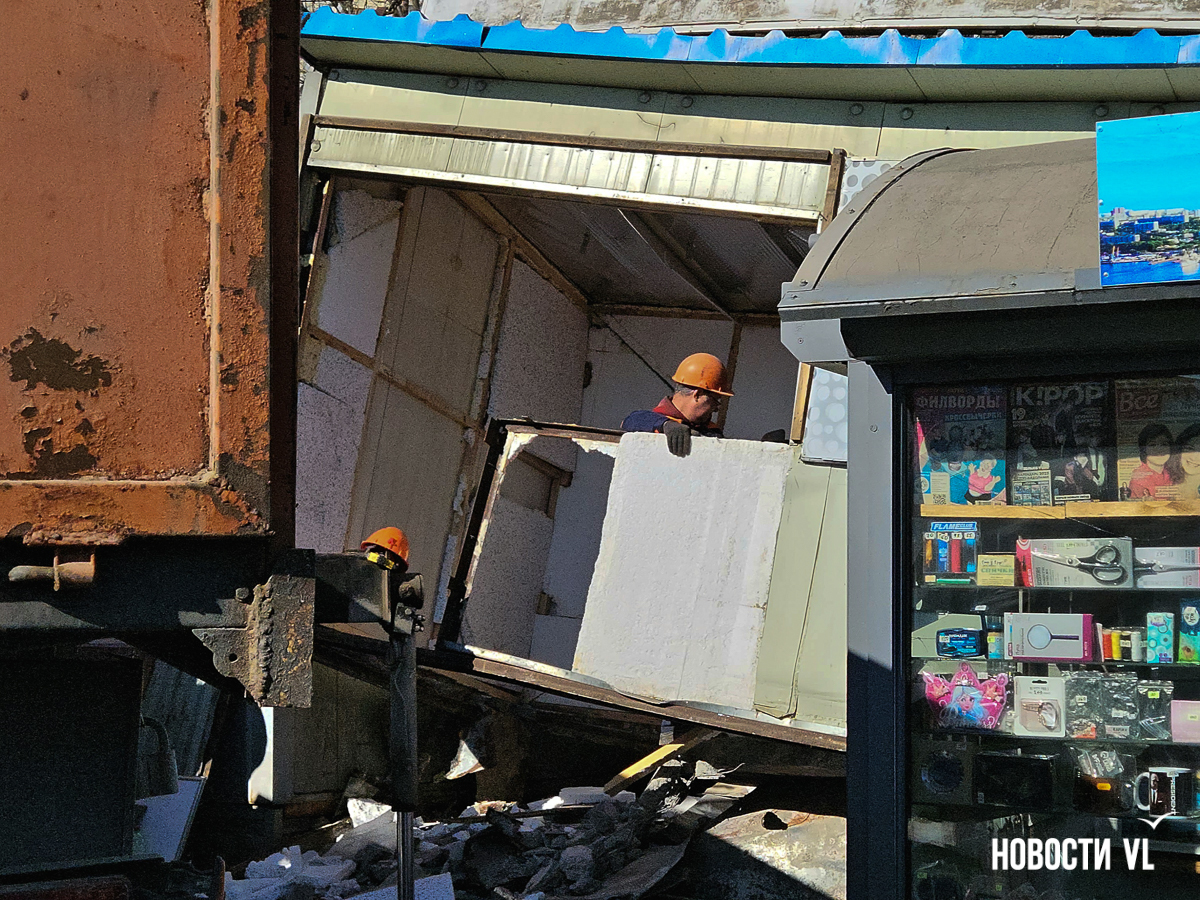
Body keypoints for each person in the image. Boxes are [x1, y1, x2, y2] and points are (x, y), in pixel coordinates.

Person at [621, 352, 733, 457]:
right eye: (715, 400)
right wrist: (665, 424)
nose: (716, 409)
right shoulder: (655, 422)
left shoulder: (711, 431)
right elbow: (631, 420)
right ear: (698, 394)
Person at [1128, 423, 1174, 499]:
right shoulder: (1139, 478)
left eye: (1164, 444)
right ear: (1144, 450)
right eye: (1152, 445)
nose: (1159, 449)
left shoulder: (1173, 472)